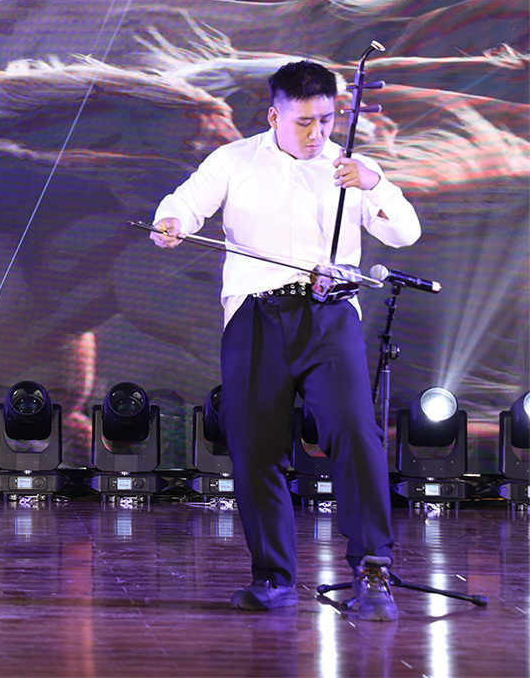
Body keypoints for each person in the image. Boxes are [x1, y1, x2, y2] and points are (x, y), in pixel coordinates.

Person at [150, 60, 421, 622]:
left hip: (329, 315)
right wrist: (170, 223)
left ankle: (373, 568)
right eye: (303, 122)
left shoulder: (352, 168)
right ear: (274, 116)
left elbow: (405, 232)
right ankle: (273, 576)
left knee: (354, 430)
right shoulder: (235, 159)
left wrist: (376, 184)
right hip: (255, 314)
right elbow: (185, 203)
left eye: (326, 120)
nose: (316, 133)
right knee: (254, 445)